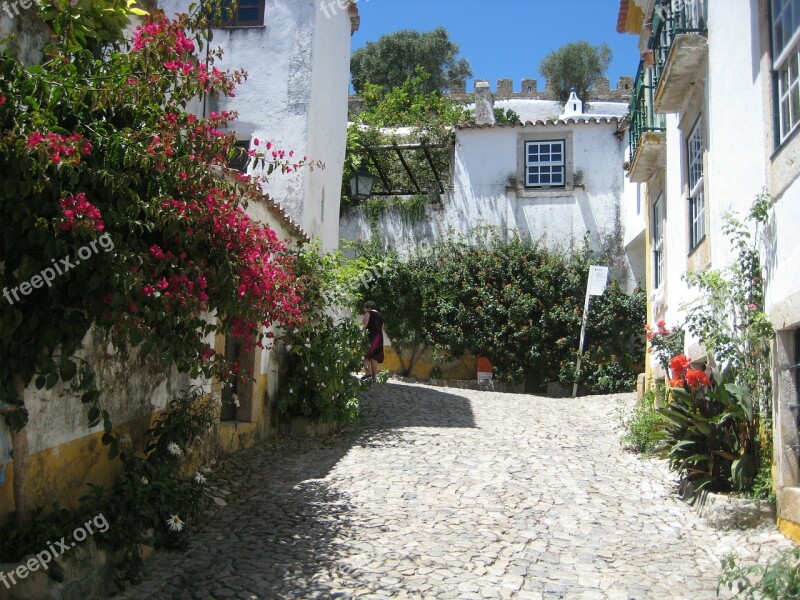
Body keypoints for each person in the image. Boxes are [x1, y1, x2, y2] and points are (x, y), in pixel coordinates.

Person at [361, 300, 384, 381]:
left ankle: (368, 372)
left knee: (364, 355)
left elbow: (363, 326)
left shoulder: (368, 313)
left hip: (371, 336)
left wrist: (359, 334)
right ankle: (374, 377)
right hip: (379, 337)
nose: (365, 310)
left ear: (369, 307)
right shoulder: (380, 316)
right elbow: (381, 329)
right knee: (374, 357)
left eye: (366, 308)